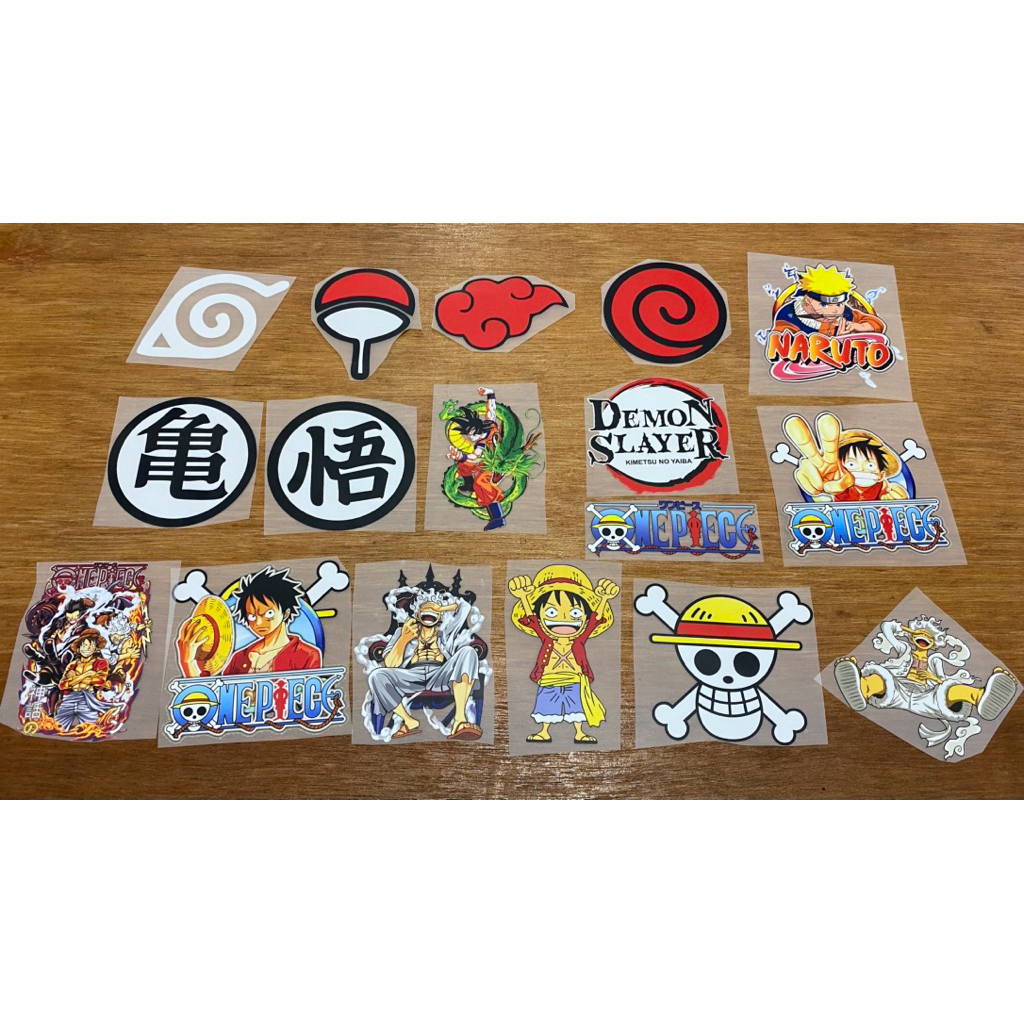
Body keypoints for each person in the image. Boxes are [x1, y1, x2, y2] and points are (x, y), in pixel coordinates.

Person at [509, 564, 619, 745]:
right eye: (551, 612)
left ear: (584, 617)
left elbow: (595, 619)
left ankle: (579, 732)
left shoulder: (579, 639)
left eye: (575, 613)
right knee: (546, 707)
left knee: (576, 708)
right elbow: (531, 619)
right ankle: (544, 732)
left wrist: (604, 598)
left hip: (574, 679)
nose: (564, 619)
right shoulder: (546, 638)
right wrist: (523, 597)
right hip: (548, 679)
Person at [366, 596, 483, 740]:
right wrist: (403, 639)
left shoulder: (446, 631)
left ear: (440, 616)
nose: (430, 610)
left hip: (440, 674)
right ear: (417, 615)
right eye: (425, 608)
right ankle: (408, 721)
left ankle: (459, 720)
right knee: (376, 676)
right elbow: (390, 664)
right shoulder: (403, 632)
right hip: (411, 675)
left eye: (433, 609)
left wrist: (442, 608)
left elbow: (465, 606)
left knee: (468, 652)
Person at [177, 567, 321, 678]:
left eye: (268, 614)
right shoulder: (239, 658)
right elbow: (212, 701)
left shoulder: (307, 655)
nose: (258, 622)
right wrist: (187, 662)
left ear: (286, 613)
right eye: (251, 616)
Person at [784, 413, 908, 503]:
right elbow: (829, 488)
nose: (861, 470)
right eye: (851, 464)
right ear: (840, 466)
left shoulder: (881, 487)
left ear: (881, 475)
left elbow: (892, 494)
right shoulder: (840, 483)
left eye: (870, 465)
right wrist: (821, 482)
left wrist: (897, 499)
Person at [445, 387, 507, 530]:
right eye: (467, 435)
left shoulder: (481, 443)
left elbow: (475, 456)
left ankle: (498, 518)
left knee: (480, 482)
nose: (470, 438)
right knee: (464, 465)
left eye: (471, 434)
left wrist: (461, 456)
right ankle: (469, 484)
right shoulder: (490, 425)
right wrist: (490, 394)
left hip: (495, 464)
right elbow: (491, 410)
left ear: (477, 429)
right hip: (486, 461)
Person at [774, 264, 886, 337]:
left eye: (839, 304)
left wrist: (860, 327)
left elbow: (876, 324)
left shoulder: (846, 314)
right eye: (824, 305)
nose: (835, 311)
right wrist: (838, 340)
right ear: (808, 300)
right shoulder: (788, 316)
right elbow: (782, 343)